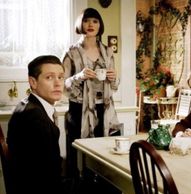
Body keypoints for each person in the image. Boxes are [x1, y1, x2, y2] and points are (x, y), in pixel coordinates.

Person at [62, 8, 121, 179]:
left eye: (95, 21)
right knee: (78, 157)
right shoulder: (71, 52)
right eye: (87, 20)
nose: (90, 24)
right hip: (79, 110)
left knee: (104, 156)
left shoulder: (108, 51)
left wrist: (113, 77)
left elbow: (115, 86)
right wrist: (79, 76)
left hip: (105, 109)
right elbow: (63, 86)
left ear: (100, 25)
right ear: (80, 24)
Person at [7, 55, 66, 194]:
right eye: (49, 77)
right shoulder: (34, 117)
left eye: (61, 77)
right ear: (33, 82)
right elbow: (46, 177)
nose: (58, 83)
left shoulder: (27, 104)